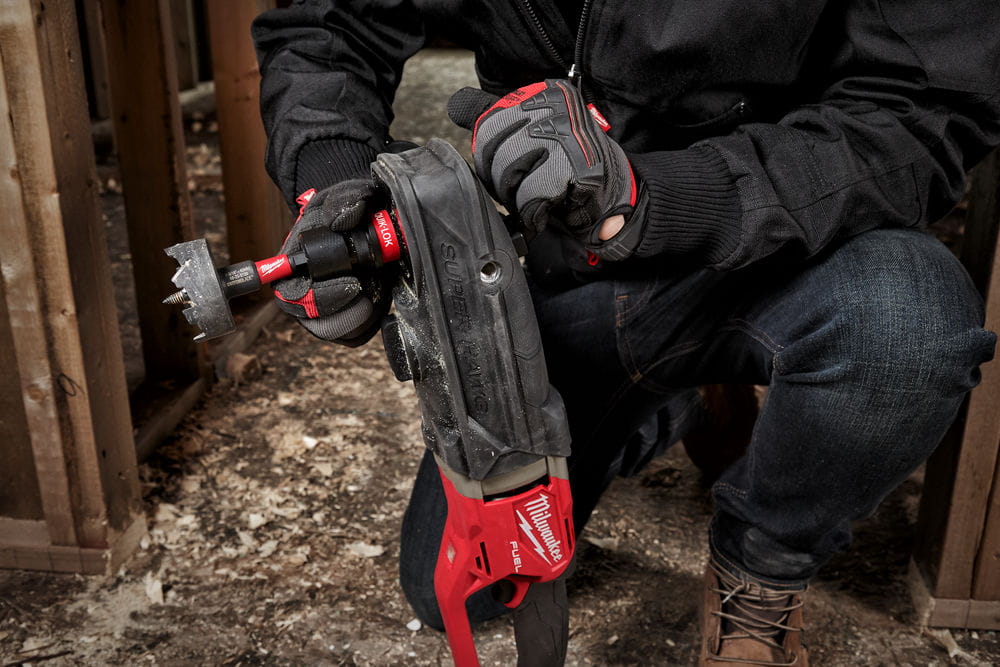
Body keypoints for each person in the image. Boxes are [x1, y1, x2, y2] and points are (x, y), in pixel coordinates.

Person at [252, 2, 1000, 664]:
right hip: (561, 273)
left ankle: (761, 575)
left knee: (909, 324)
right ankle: (684, 401)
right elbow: (331, 24)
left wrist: (658, 197)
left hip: (784, 254)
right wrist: (332, 175)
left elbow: (923, 107)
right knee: (457, 591)